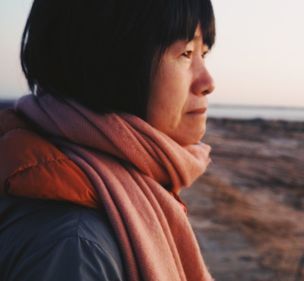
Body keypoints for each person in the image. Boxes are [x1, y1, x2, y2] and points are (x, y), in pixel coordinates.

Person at [0, 0, 216, 280]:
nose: (208, 81)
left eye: (204, 53)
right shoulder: (76, 249)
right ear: (114, 60)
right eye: (186, 53)